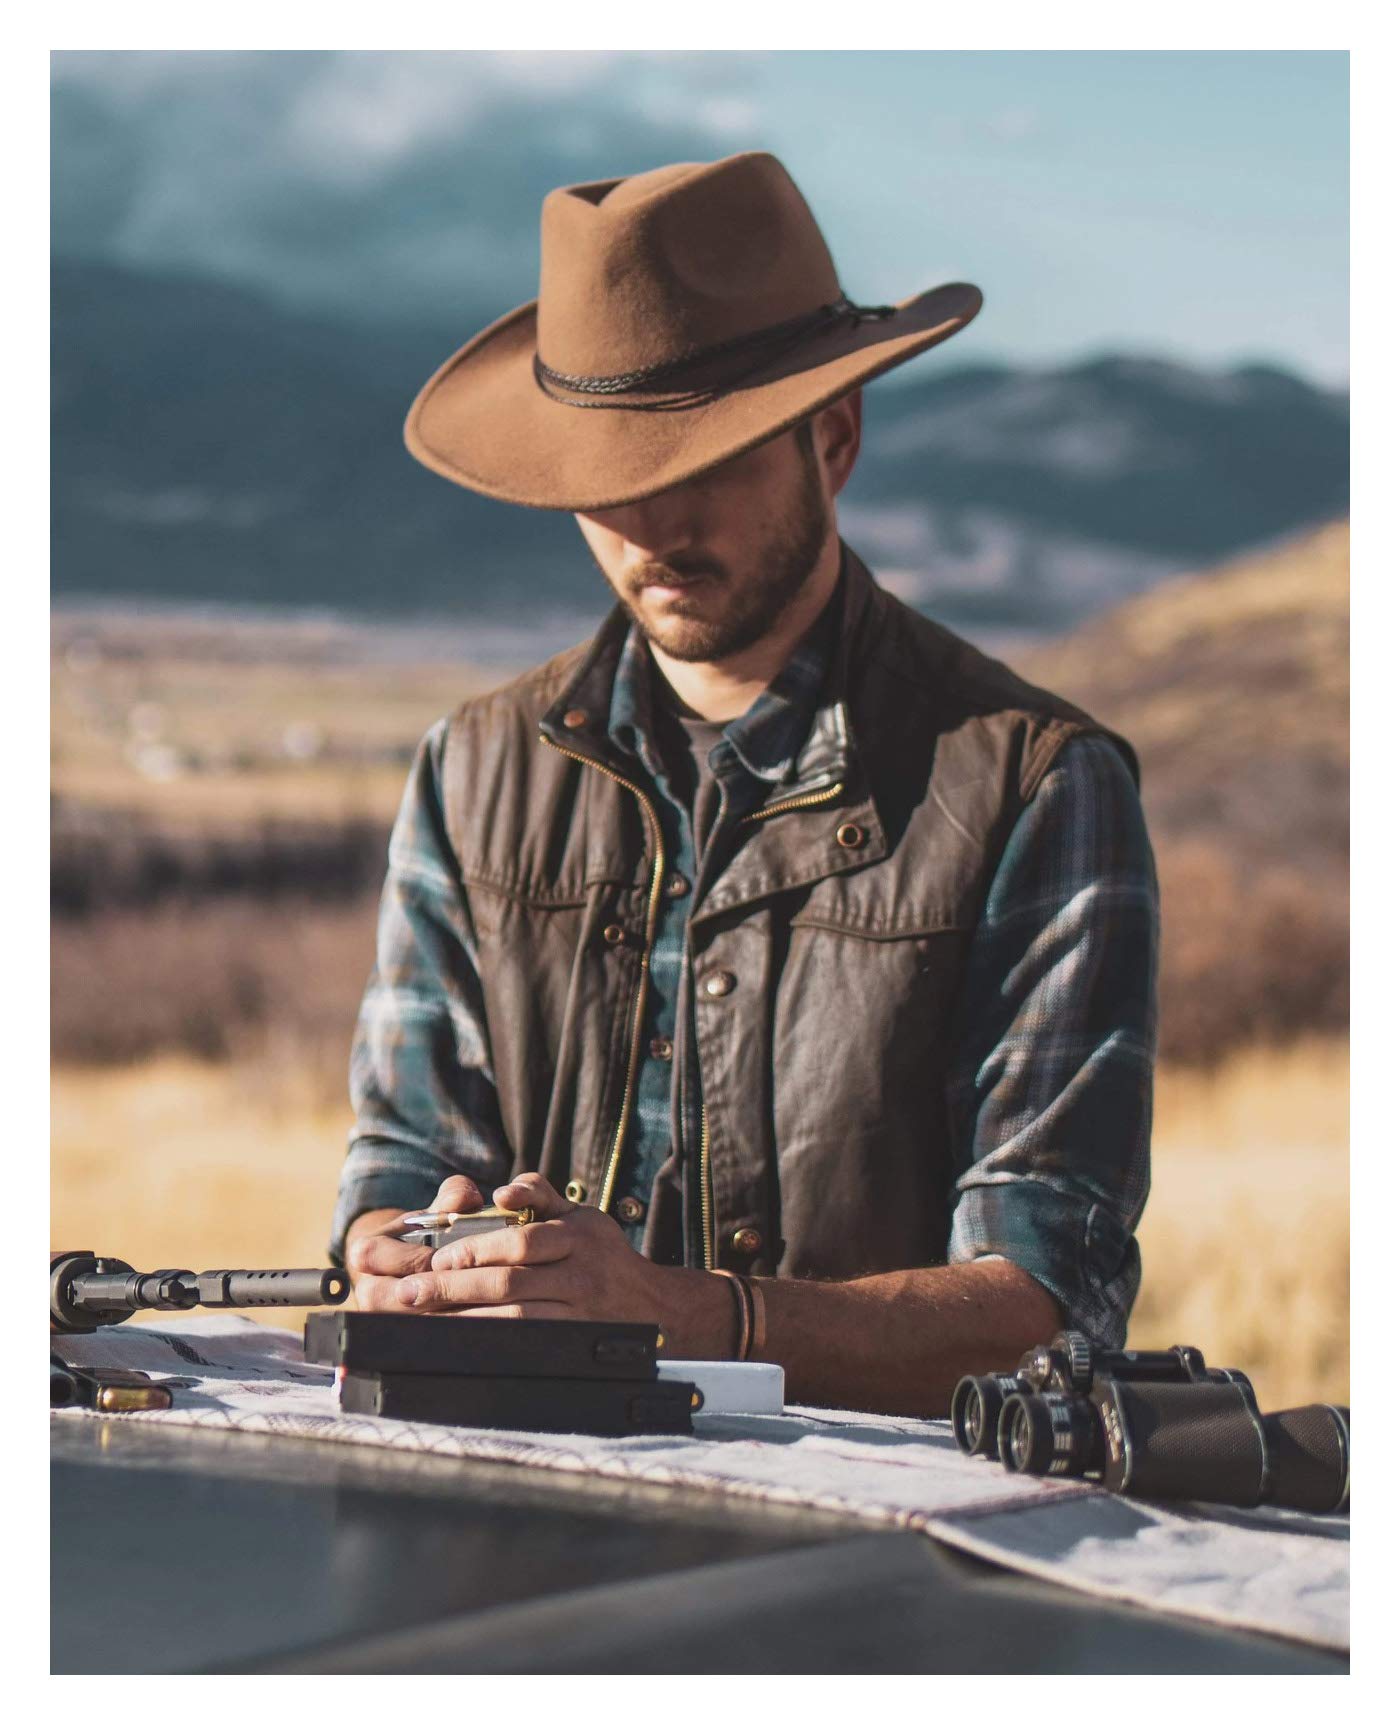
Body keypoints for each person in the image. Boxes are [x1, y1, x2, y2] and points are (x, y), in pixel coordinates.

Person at [331, 151, 1157, 1417]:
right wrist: (397, 1255)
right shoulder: (474, 769)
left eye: (699, 459)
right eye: (601, 479)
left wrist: (680, 1316)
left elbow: (1047, 1299)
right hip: (515, 1519)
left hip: (875, 1557)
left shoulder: (1032, 785)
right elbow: (399, 1155)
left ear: (831, 440)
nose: (648, 524)